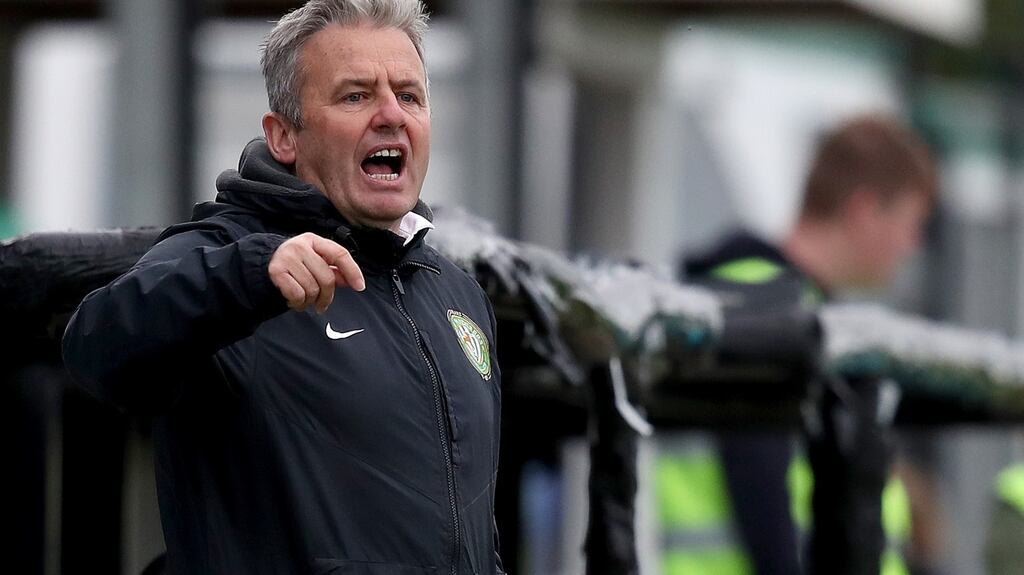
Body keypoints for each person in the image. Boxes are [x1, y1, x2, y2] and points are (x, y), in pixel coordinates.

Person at [62, 1, 504, 573]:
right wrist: (249, 276)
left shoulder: (457, 295)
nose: (392, 115)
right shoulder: (226, 258)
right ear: (284, 137)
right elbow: (95, 345)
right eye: (356, 95)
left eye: (410, 95)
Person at [656, 114, 937, 575]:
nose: (911, 245)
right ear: (865, 210)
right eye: (911, 221)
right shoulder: (762, 308)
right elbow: (762, 499)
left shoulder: (787, 307)